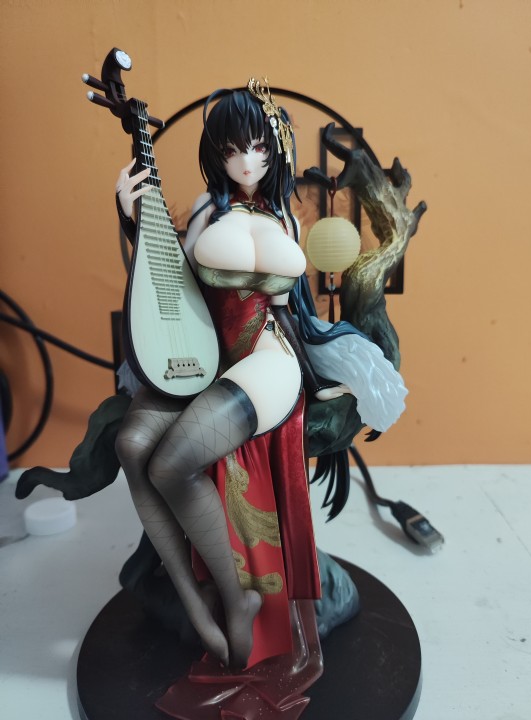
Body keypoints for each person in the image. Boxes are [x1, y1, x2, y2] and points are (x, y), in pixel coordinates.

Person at [114, 80, 347, 672]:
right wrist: (131, 218)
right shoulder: (205, 210)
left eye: (259, 147)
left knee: (171, 463)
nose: (246, 162)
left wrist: (321, 371)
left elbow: (291, 310)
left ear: (277, 148)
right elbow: (166, 280)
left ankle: (237, 599)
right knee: (132, 444)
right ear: (216, 154)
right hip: (204, 355)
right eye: (232, 149)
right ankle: (195, 603)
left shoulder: (287, 218)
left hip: (267, 360)